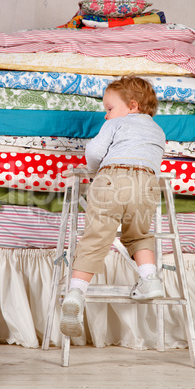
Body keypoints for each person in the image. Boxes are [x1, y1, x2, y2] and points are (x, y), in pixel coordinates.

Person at [60, 75, 166, 338]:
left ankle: (76, 292)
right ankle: (149, 278)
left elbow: (95, 152)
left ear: (132, 106)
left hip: (111, 179)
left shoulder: (116, 123)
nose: (106, 116)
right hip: (148, 184)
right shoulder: (159, 130)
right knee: (139, 234)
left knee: (95, 238)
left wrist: (97, 170)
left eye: (109, 109)